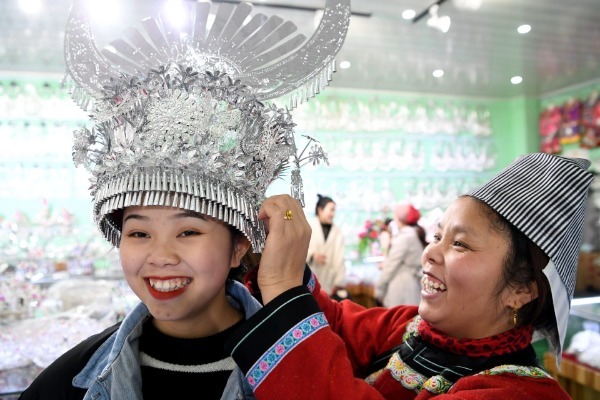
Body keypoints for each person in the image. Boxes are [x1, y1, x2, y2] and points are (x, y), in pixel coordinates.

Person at [18, 0, 350, 399]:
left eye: (188, 231)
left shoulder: (308, 374)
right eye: (139, 233)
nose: (160, 256)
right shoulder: (68, 382)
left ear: (238, 246)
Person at [225, 153, 593, 399]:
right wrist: (272, 249)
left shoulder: (518, 393)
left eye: (460, 244)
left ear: (522, 289)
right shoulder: (411, 326)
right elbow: (335, 324)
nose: (430, 252)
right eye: (437, 236)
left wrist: (283, 289)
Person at [375, 203, 425, 307]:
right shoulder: (412, 234)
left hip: (402, 286)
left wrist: (379, 288)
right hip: (409, 284)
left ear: (398, 218)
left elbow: (390, 266)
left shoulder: (404, 237)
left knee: (401, 315)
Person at [306, 194, 346, 297]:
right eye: (331, 210)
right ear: (320, 210)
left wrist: (339, 282)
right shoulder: (307, 226)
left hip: (329, 283)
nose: (333, 214)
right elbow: (297, 251)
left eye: (334, 210)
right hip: (309, 280)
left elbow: (340, 259)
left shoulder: (338, 232)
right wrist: (312, 256)